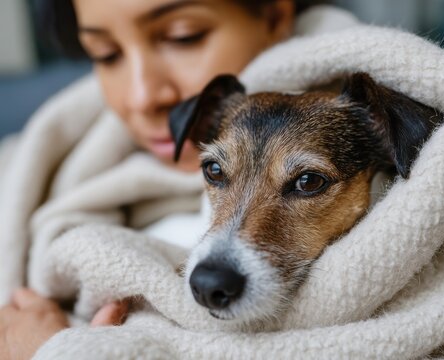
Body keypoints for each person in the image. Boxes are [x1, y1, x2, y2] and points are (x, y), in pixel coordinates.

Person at [0, 0, 326, 358]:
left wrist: (45, 351)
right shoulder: (37, 158)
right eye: (106, 54)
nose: (142, 96)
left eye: (183, 37)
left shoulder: (371, 126)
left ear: (275, 15)